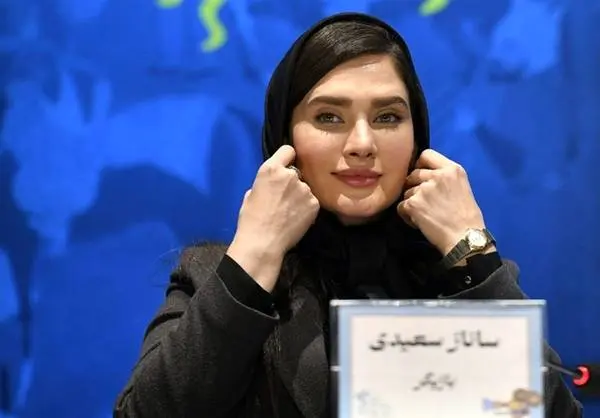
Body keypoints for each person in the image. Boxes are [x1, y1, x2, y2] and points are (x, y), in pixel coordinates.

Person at [113, 12, 582, 418]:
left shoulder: (461, 279)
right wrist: (255, 253)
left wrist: (471, 248)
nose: (361, 144)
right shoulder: (212, 277)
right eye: (329, 117)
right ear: (284, 139)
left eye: (387, 117)